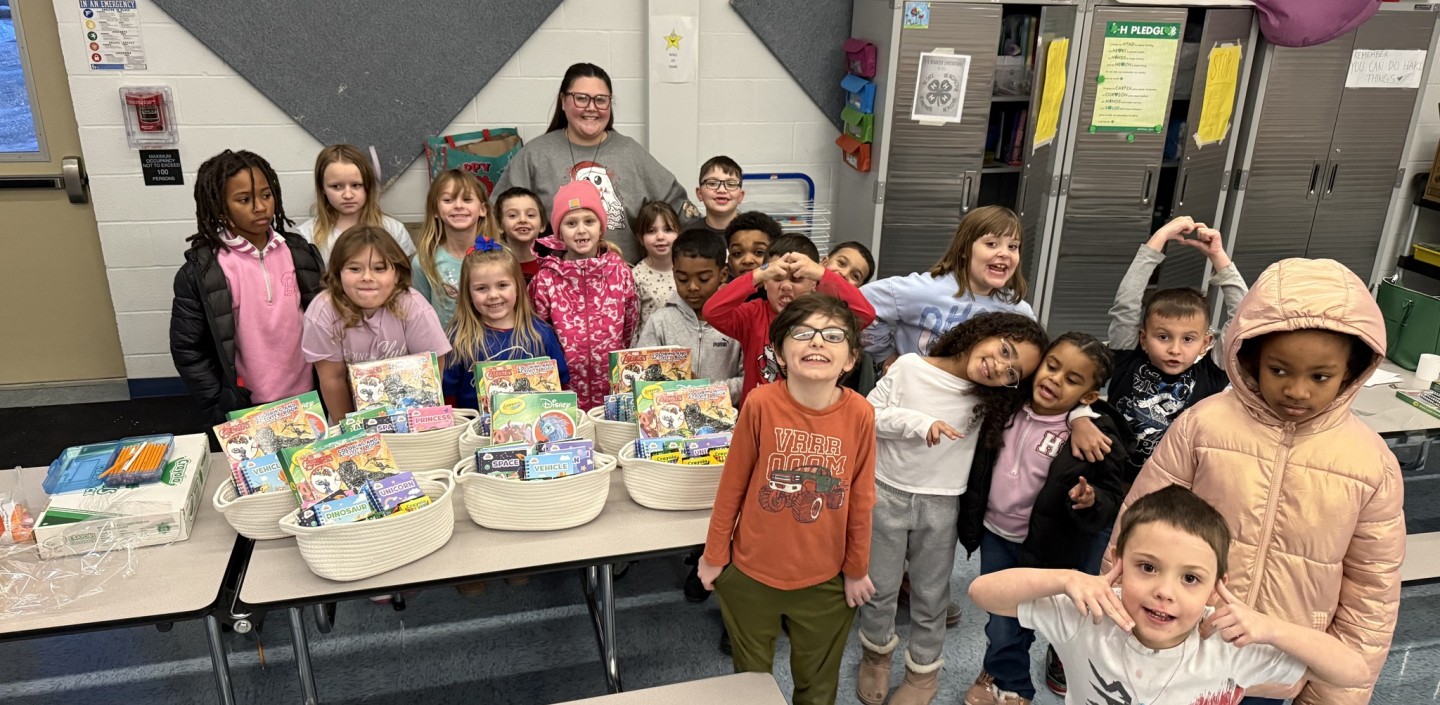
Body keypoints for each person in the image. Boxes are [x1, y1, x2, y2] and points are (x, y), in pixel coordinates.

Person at [1112, 258, 1405, 705]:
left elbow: (1372, 593)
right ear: (1251, 358)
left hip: (1277, 666)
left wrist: (1335, 695)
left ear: (1351, 370)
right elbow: (1135, 529)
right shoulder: (1202, 426)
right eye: (1279, 370)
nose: (1297, 391)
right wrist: (1120, 629)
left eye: (1320, 376)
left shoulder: (1371, 464)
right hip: (1182, 652)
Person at [1049, 217, 1247, 696]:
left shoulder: (1216, 374)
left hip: (1174, 505)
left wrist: (1220, 259)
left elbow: (1244, 318)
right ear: (1142, 336)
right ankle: (1067, 650)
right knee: (1096, 571)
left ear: (1208, 343)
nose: (1174, 348)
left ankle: (1147, 651)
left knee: (1155, 579)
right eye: (1162, 336)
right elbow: (1126, 301)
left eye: (1187, 340)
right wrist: (1156, 243)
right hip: (1114, 493)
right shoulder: (1125, 358)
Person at [970, 485, 1371, 705]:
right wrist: (1065, 579)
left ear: (1218, 586)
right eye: (1147, 568)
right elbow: (983, 593)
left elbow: (1353, 672)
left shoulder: (1227, 642)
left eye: (1191, 579)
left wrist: (1271, 628)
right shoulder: (1088, 617)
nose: (1164, 592)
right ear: (1119, 564)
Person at [855, 313, 1047, 705]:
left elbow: (1050, 405)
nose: (999, 367)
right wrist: (917, 422)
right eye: (1004, 350)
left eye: (1013, 372)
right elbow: (864, 416)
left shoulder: (991, 399)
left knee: (931, 595)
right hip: (885, 492)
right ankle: (876, 657)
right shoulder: (910, 367)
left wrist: (1080, 419)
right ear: (985, 332)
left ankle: (923, 675)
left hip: (942, 505)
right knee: (880, 587)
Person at [697, 293, 877, 705]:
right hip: (750, 572)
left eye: (832, 336)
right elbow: (733, 488)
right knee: (750, 684)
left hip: (826, 580)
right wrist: (714, 555)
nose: (817, 342)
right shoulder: (760, 403)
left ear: (850, 359)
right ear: (778, 352)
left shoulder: (861, 414)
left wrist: (856, 568)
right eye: (803, 333)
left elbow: (862, 499)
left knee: (817, 685)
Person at [959, 333, 1136, 705]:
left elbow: (1110, 494)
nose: (1055, 379)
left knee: (1038, 616)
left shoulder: (1093, 434)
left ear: (1089, 395)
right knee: (1002, 618)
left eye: (1072, 379)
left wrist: (1089, 499)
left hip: (1045, 545)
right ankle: (1009, 679)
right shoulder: (1009, 402)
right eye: (1052, 366)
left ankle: (1020, 671)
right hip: (995, 534)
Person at [171, 149, 325, 425]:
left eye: (266, 195)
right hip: (247, 408)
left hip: (310, 399)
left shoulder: (300, 253)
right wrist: (218, 404)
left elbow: (327, 322)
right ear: (219, 206)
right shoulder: (202, 271)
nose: (260, 206)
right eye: (244, 199)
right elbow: (188, 349)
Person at [493, 62, 694, 263]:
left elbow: (681, 211)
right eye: (581, 98)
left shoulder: (631, 153)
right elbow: (495, 217)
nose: (591, 108)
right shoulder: (535, 155)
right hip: (556, 284)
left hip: (623, 283)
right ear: (563, 101)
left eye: (601, 100)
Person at [301, 226, 452, 423]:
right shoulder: (323, 311)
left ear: (396, 274)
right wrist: (350, 429)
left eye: (379, 268)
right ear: (338, 273)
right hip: (350, 413)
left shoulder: (413, 305)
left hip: (409, 413)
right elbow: (332, 378)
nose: (367, 277)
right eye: (354, 269)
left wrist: (419, 418)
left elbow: (433, 364)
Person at [704, 232, 876, 405]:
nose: (786, 286)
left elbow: (866, 315)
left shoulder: (824, 318)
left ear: (814, 283)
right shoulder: (753, 314)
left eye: (797, 279)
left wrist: (822, 273)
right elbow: (712, 311)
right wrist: (759, 273)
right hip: (757, 418)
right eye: (776, 277)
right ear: (765, 282)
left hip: (806, 419)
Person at [861, 205, 1033, 372]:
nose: (1004, 253)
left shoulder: (1017, 312)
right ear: (964, 250)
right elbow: (862, 301)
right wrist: (885, 355)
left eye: (1013, 246)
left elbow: (1031, 355)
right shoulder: (926, 290)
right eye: (992, 244)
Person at [528, 180, 639, 410]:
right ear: (559, 232)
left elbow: (630, 324)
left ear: (601, 227)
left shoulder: (619, 272)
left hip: (611, 391)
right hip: (564, 392)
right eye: (571, 223)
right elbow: (538, 334)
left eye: (589, 221)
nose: (581, 230)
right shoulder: (546, 279)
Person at [443, 236, 569, 410]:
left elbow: (561, 386)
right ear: (468, 293)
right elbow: (448, 395)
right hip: (475, 432)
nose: (493, 295)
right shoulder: (459, 338)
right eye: (482, 288)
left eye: (502, 285)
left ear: (517, 286)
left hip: (534, 429)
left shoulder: (540, 334)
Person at [294, 144, 416, 261]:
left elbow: (403, 278)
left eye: (356, 185)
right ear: (322, 189)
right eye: (336, 186)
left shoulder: (393, 230)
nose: (348, 195)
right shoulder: (307, 235)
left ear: (368, 185)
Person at [412, 169, 490, 328]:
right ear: (435, 210)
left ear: (482, 209)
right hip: (448, 349)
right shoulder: (424, 261)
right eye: (448, 200)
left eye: (467, 199)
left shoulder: (500, 255)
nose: (458, 206)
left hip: (494, 346)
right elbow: (421, 318)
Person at [631, 201, 681, 326]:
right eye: (651, 231)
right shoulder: (635, 277)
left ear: (678, 233)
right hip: (650, 344)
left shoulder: (689, 270)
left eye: (667, 230)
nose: (660, 237)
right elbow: (633, 326)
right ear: (640, 238)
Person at [489, 186, 548, 283]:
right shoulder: (491, 267)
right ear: (499, 225)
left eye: (530, 215)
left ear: (542, 225)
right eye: (513, 215)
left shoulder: (552, 267)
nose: (523, 220)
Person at [688, 155, 745, 238]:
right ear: (699, 194)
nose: (722, 190)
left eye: (731, 184)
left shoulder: (756, 234)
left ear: (740, 196)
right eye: (712, 183)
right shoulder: (687, 235)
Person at [725, 210, 780, 280]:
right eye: (737, 253)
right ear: (730, 263)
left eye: (759, 252)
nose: (747, 260)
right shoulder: (723, 290)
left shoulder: (788, 289)